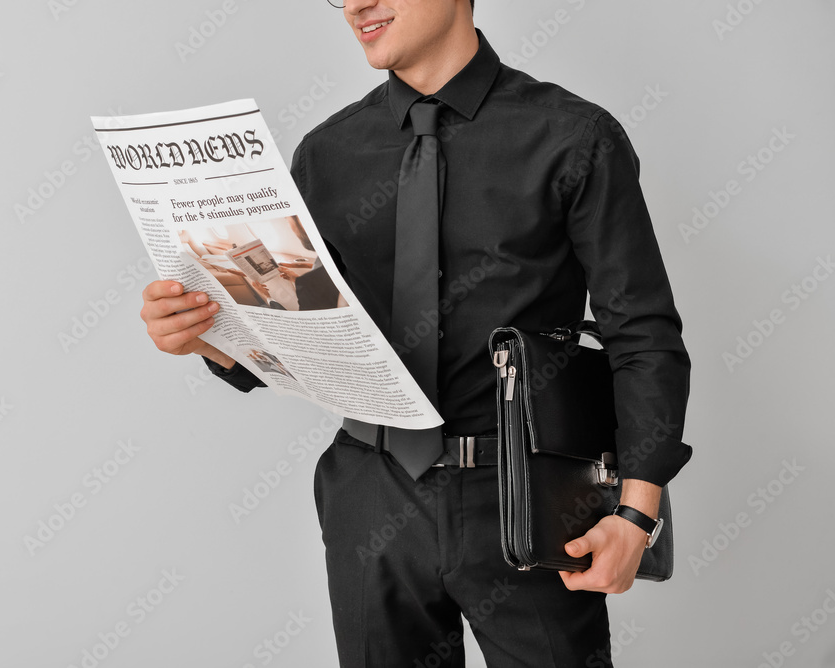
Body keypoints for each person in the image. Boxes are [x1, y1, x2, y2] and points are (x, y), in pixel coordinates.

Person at [139, 0, 692, 665]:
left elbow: (642, 335)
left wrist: (636, 515)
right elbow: (302, 334)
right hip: (370, 496)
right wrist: (205, 337)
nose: (356, 5)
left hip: (525, 495)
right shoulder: (327, 153)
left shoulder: (573, 138)